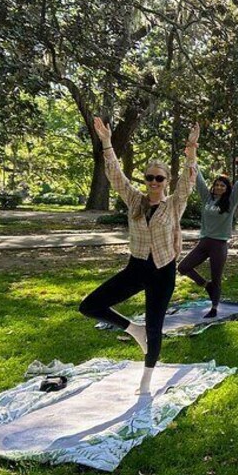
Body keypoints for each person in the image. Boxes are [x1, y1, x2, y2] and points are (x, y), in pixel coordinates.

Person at [81, 117, 198, 394]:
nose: (154, 182)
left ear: (166, 181)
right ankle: (133, 329)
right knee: (90, 306)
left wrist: (191, 150)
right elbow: (115, 176)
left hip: (163, 270)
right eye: (150, 177)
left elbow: (188, 180)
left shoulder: (174, 204)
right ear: (145, 180)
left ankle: (146, 380)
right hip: (136, 268)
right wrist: (107, 143)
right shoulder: (135, 200)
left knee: (155, 326)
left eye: (159, 178)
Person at [177, 156, 238, 318]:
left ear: (227, 189)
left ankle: (214, 308)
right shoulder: (207, 198)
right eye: (217, 185)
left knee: (216, 277)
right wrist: (192, 159)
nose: (219, 187)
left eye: (222, 185)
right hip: (204, 242)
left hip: (219, 245)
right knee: (183, 267)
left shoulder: (231, 201)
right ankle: (206, 285)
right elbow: (199, 180)